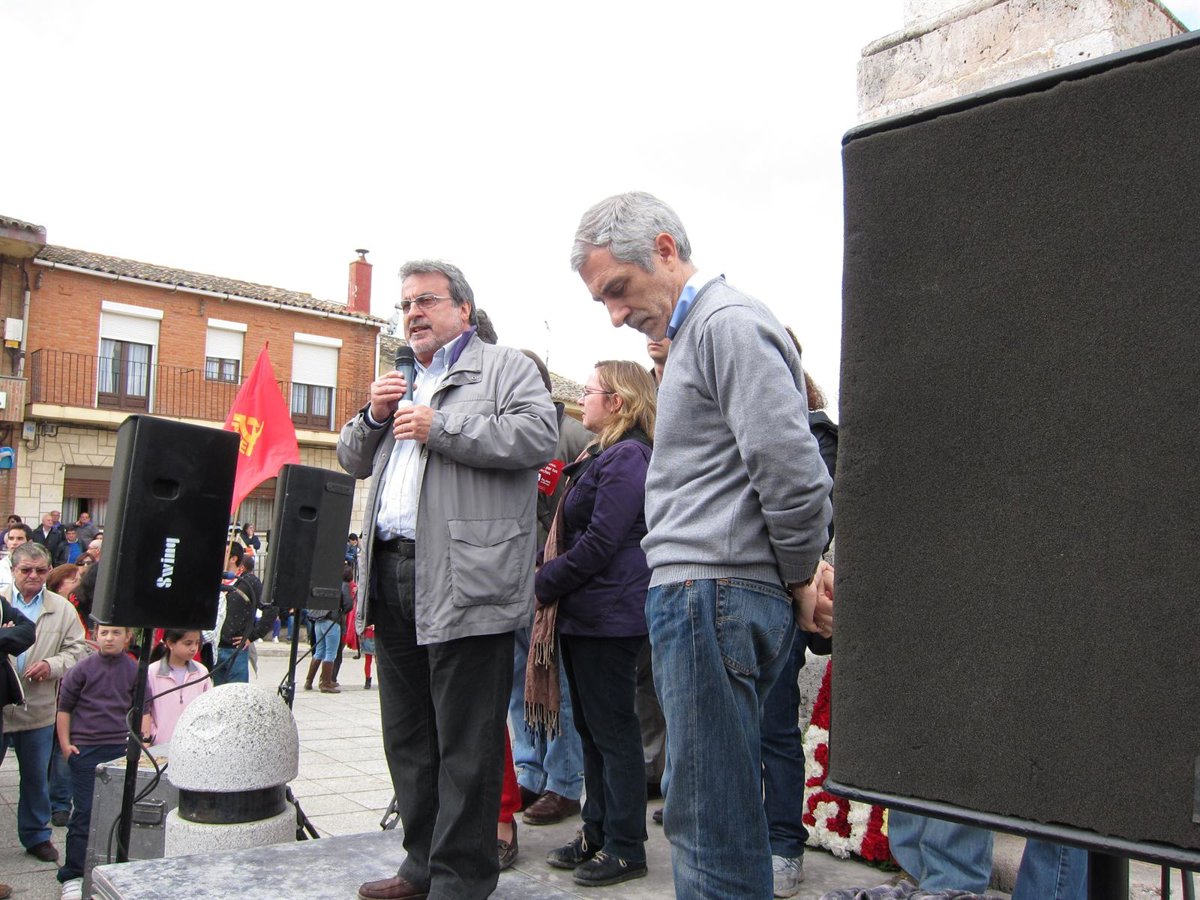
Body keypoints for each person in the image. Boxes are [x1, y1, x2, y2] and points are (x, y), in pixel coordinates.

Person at [570, 191, 834, 897]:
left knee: (707, 821)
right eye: (603, 301)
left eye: (618, 289)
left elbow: (793, 469)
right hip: (709, 592)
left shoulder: (726, 324)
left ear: (664, 248)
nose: (616, 314)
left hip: (709, 593)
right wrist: (797, 574)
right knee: (711, 814)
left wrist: (801, 574)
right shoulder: (705, 332)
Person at [338, 258, 556, 900]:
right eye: (405, 304)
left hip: (468, 577)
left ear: (463, 308)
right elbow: (351, 459)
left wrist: (443, 427)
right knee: (408, 736)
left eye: (426, 300)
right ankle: (421, 865)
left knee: (466, 740)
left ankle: (461, 880)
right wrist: (373, 417)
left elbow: (537, 437)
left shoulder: (506, 368)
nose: (413, 313)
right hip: (393, 571)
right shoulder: (400, 378)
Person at [536, 360, 656, 887]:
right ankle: (598, 831)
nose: (579, 399)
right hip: (587, 613)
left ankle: (626, 846)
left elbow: (602, 541)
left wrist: (544, 580)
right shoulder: (602, 451)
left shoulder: (628, 455)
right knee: (591, 729)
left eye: (588, 391)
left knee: (614, 730)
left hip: (610, 613)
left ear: (618, 402)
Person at [762, 359, 838, 897]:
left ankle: (784, 846)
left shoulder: (817, 436)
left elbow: (815, 517)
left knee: (775, 729)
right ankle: (746, 839)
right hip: (742, 590)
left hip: (783, 599)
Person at [509, 350, 588, 827]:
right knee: (517, 682)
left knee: (556, 684)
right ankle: (529, 770)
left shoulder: (576, 439)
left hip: (555, 585)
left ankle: (564, 781)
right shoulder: (506, 432)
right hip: (508, 580)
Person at [1, 542, 89, 867]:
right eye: (26, 570)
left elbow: (79, 649)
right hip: (1, 707)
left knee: (36, 777)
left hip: (38, 707)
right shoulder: (2, 602)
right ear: (13, 570)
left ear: (49, 571)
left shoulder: (62, 608)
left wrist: (52, 665)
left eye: (40, 570)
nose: (33, 576)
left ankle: (37, 836)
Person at [54, 623, 137, 899]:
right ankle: (74, 874)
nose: (109, 638)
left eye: (116, 633)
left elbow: (143, 707)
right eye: (104, 633)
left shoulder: (133, 669)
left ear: (128, 637)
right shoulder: (81, 669)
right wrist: (66, 745)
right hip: (86, 749)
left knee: (120, 812)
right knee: (85, 812)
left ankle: (114, 868)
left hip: (120, 748)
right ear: (95, 636)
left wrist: (143, 741)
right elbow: (64, 708)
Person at [142, 630, 210, 745]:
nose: (194, 648)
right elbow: (144, 709)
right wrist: (153, 735)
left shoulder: (201, 672)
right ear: (170, 644)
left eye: (197, 643)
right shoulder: (152, 672)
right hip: (160, 745)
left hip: (193, 744)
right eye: (188, 643)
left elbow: (209, 706)